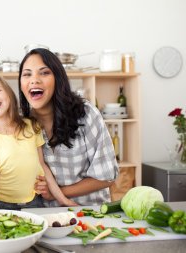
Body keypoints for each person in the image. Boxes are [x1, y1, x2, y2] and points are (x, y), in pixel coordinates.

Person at [18, 48, 119, 206]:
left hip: (89, 213)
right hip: (44, 218)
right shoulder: (20, 124)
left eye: (44, 73)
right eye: (27, 74)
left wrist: (57, 194)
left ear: (58, 78)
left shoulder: (85, 113)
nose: (34, 80)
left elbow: (106, 176)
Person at [0, 72, 77, 210]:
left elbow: (41, 165)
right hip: (1, 205)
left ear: (9, 94)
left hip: (34, 201)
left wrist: (63, 200)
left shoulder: (31, 126)